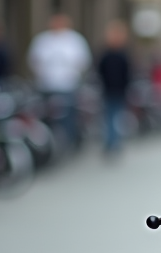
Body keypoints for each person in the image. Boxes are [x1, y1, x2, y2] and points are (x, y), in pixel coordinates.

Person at [27, 13, 91, 149]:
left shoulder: (75, 40)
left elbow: (83, 61)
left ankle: (69, 142)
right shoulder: (42, 40)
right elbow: (34, 60)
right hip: (47, 85)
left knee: (68, 116)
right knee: (47, 115)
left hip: (68, 85)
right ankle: (49, 144)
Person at [97, 19, 131, 154]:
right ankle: (113, 141)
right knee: (112, 117)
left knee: (114, 117)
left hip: (118, 90)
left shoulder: (122, 55)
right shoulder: (106, 54)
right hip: (109, 90)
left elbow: (127, 73)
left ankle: (113, 141)